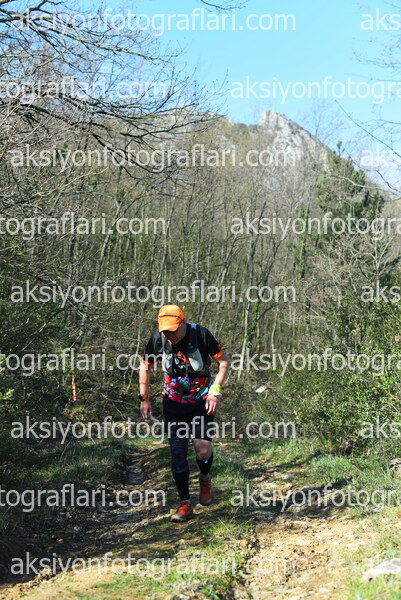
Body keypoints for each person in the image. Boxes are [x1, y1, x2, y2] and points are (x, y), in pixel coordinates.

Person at [138, 305, 229, 522]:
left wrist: (215, 391)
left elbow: (223, 362)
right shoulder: (157, 340)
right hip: (173, 403)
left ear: (183, 323)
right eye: (165, 331)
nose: (169, 335)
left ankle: (205, 478)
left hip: (201, 400)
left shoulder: (201, 334)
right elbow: (145, 367)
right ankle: (185, 504)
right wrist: (144, 397)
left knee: (202, 450)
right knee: (177, 453)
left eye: (173, 331)